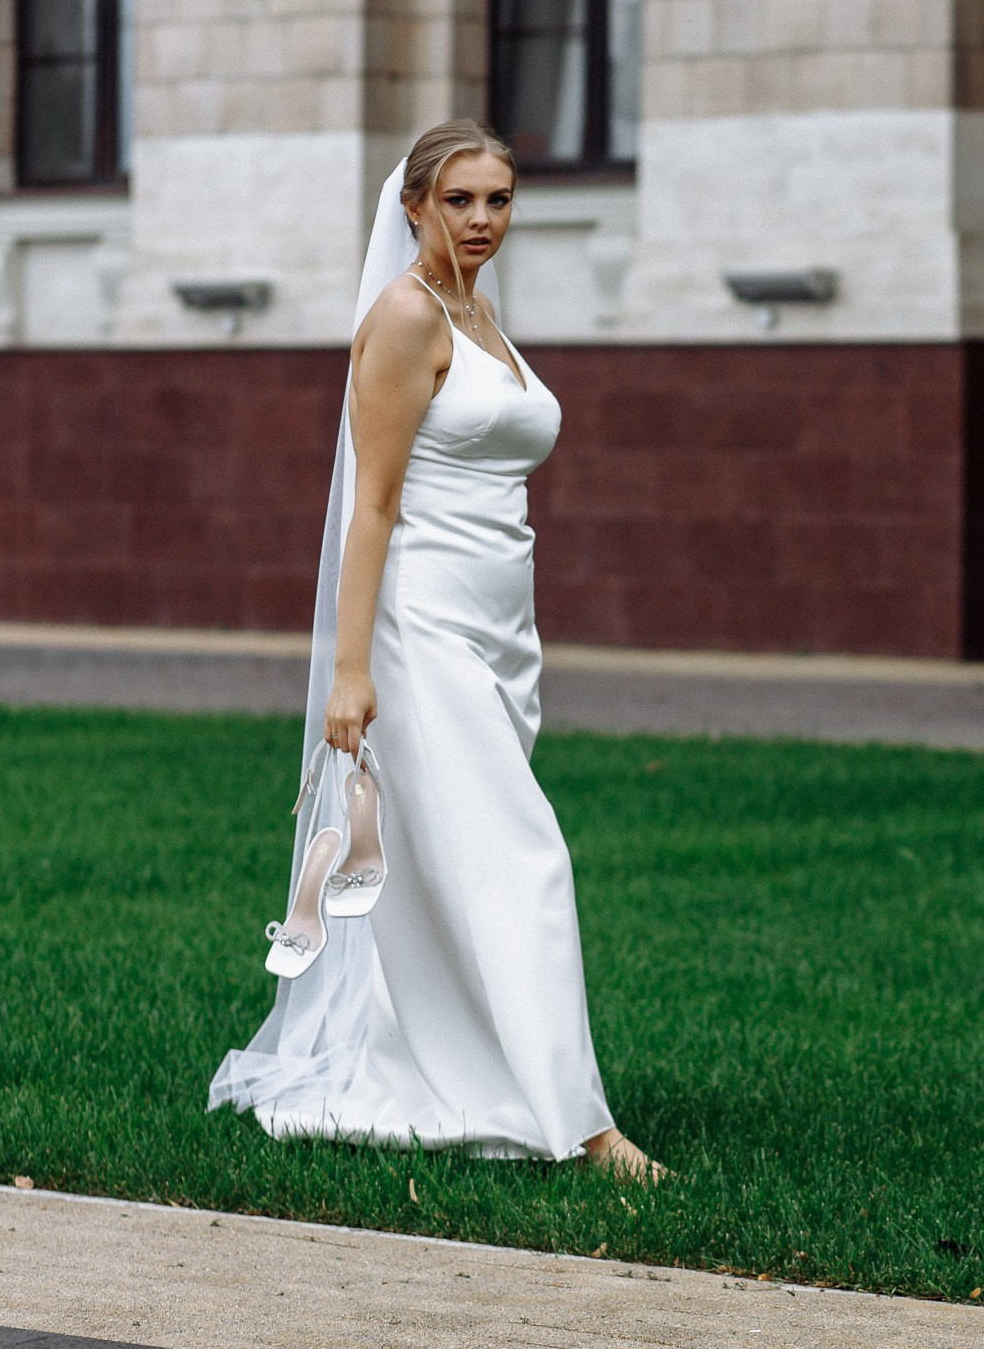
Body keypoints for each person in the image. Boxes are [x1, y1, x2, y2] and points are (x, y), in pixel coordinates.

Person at [210, 120, 662, 1181]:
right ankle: (583, 1127)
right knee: (523, 854)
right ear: (413, 205)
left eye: (499, 200)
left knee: (457, 865)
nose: (482, 220)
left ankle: (472, 1063)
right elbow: (370, 507)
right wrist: (352, 671)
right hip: (423, 627)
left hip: (503, 624)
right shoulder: (408, 317)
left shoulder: (480, 314)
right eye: (460, 200)